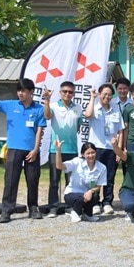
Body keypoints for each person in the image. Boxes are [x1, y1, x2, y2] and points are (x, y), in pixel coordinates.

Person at [0, 79, 46, 223]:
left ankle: (33, 209)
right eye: (18, 90)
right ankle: (7, 211)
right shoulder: (10, 105)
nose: (20, 93)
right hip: (14, 149)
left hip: (31, 151)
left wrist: (35, 150)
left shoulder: (39, 109)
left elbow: (39, 131)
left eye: (23, 91)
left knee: (33, 180)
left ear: (31, 91)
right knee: (10, 181)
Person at [43, 80, 83, 218]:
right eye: (65, 91)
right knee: (54, 180)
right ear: (60, 92)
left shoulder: (78, 108)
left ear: (73, 93)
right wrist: (46, 100)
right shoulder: (53, 106)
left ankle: (70, 206)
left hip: (72, 149)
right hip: (56, 149)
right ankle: (53, 207)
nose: (67, 94)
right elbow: (47, 116)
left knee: (71, 181)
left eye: (70, 92)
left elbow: (78, 127)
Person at [84, 84, 125, 215]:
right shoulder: (94, 108)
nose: (107, 97)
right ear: (100, 94)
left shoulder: (116, 110)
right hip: (96, 148)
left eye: (109, 95)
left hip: (111, 148)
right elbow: (88, 115)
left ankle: (107, 202)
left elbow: (121, 131)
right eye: (104, 94)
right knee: (93, 177)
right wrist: (92, 97)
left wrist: (119, 150)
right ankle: (95, 202)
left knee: (109, 177)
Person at [54, 139, 106, 223]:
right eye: (88, 153)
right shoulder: (77, 162)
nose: (91, 155)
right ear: (83, 154)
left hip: (87, 193)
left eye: (93, 152)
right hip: (72, 193)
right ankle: (75, 212)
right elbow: (59, 166)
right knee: (81, 198)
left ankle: (88, 214)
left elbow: (98, 187)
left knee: (95, 196)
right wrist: (58, 150)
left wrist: (90, 191)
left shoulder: (102, 167)